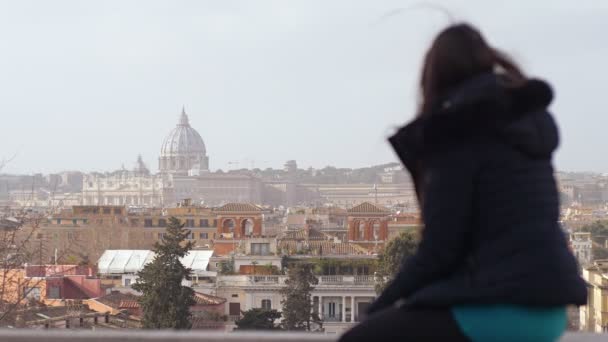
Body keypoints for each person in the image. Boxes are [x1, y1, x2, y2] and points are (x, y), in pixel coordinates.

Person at [339, 23, 587, 342]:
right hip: (550, 311)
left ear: (434, 76)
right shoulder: (525, 125)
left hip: (498, 311)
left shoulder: (457, 131)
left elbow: (438, 252)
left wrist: (376, 310)